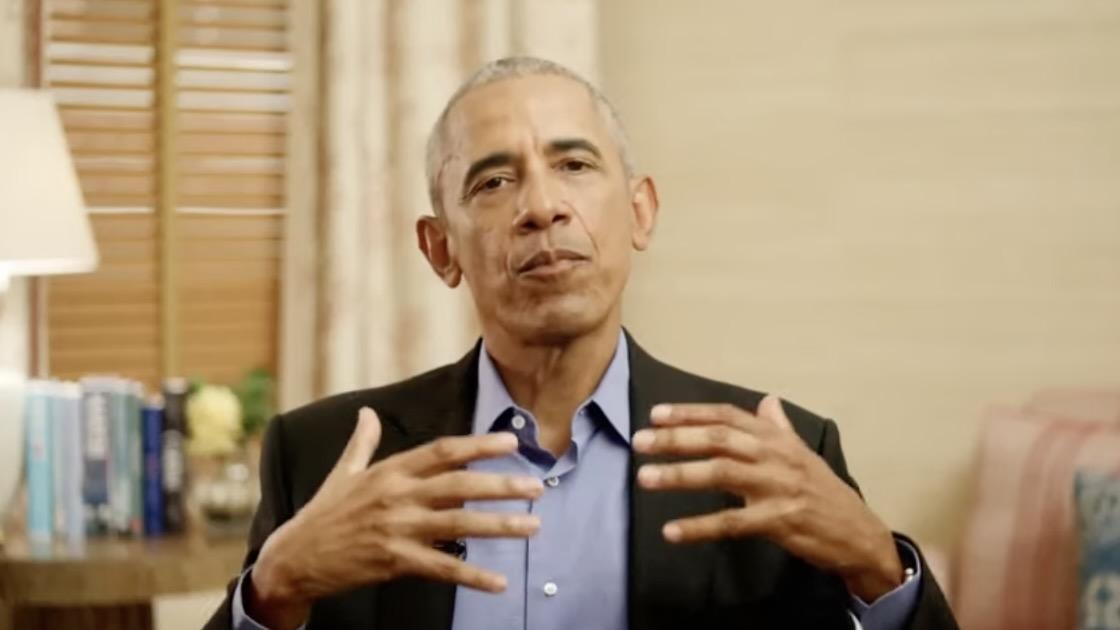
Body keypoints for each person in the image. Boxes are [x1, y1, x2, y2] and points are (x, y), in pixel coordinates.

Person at [205, 56, 958, 630]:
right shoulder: (324, 457)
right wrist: (271, 594)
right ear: (441, 250)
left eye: (573, 165)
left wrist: (877, 566)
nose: (541, 207)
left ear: (640, 213)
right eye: (493, 183)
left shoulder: (774, 457)